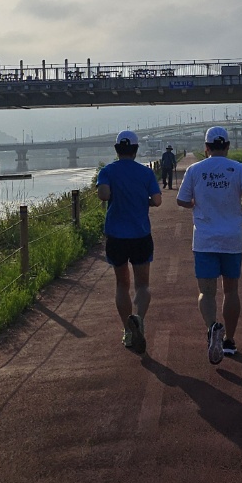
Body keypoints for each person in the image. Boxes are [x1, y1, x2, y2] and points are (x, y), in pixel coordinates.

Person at [176, 126, 242, 364]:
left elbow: (181, 200)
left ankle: (212, 327)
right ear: (228, 146)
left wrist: (196, 203)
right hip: (232, 238)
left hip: (204, 240)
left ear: (206, 148)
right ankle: (229, 341)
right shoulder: (239, 169)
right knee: (231, 291)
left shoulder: (195, 169)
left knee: (206, 292)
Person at [96, 130, 162, 354]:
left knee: (121, 285)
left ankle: (127, 329)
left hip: (116, 235)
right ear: (136, 150)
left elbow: (103, 195)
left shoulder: (107, 171)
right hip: (140, 234)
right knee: (142, 285)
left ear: (117, 150)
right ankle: (139, 319)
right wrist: (143, 200)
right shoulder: (145, 173)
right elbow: (157, 200)